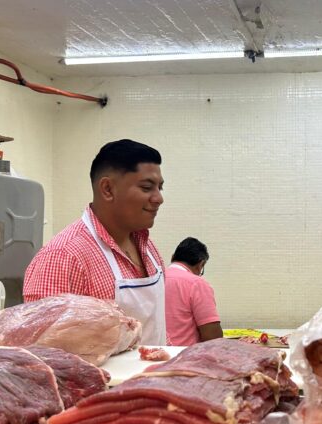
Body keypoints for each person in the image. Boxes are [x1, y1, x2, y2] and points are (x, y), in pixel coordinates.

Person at [23, 139, 168, 344]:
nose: (158, 198)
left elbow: (161, 331)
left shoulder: (148, 248)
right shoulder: (63, 257)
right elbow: (43, 351)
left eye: (160, 188)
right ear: (107, 189)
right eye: (147, 188)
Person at [164, 237, 223, 346]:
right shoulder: (196, 284)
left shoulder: (154, 279)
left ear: (172, 257)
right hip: (183, 353)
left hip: (150, 351)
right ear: (201, 264)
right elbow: (212, 337)